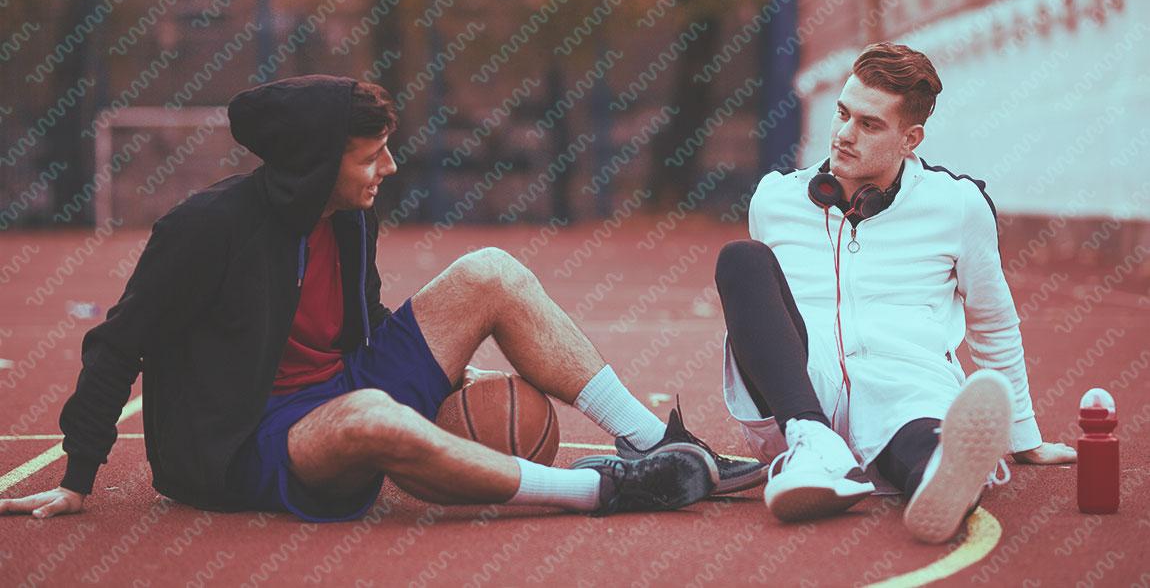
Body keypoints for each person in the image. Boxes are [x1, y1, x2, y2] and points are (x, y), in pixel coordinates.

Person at [0, 75, 765, 522]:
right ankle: (602, 490)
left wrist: (440, 382)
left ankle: (656, 444)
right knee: (373, 415)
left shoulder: (351, 215)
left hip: (343, 382)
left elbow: (360, 326)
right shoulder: (206, 229)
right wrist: (78, 474)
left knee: (490, 268)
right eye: (372, 154)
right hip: (247, 443)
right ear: (312, 163)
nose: (389, 167)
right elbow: (117, 341)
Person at [713, 43, 1077, 543]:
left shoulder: (958, 206)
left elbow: (992, 320)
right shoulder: (775, 199)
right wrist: (800, 415)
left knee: (922, 435)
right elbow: (762, 318)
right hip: (797, 397)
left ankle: (940, 474)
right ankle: (815, 443)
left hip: (906, 386)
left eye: (869, 124)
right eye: (843, 113)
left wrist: (1022, 434)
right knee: (741, 260)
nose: (843, 135)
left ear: (911, 139)